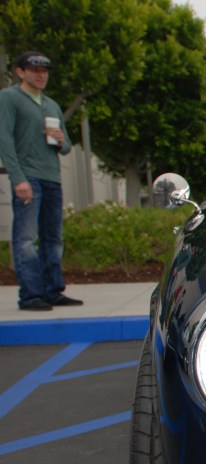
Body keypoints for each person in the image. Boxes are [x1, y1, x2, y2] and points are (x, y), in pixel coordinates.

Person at [0, 51, 82, 311]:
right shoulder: (9, 98)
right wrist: (18, 179)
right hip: (28, 177)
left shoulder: (51, 105)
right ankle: (31, 295)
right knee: (26, 239)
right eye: (34, 69)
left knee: (53, 239)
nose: (40, 74)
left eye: (44, 70)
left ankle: (52, 290)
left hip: (51, 178)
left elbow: (67, 145)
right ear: (20, 72)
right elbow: (5, 141)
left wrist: (60, 140)